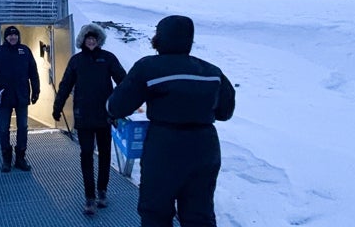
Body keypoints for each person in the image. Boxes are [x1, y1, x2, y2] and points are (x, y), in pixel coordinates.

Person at [107, 15, 236, 227]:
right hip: (205, 148)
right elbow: (225, 112)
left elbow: (117, 106)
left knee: (156, 213)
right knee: (200, 215)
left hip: (164, 148)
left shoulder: (148, 67)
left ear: (159, 38)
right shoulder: (212, 72)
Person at [53, 23, 127, 216]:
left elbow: (124, 82)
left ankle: (102, 191)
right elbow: (65, 85)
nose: (91, 40)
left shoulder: (108, 58)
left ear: (99, 40)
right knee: (86, 155)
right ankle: (89, 198)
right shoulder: (76, 61)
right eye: (88, 38)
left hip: (105, 116)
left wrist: (120, 106)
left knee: (104, 155)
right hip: (83, 116)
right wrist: (57, 107)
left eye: (94, 38)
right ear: (83, 40)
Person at [0, 25, 40, 173]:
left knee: (23, 127)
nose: (13, 37)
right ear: (5, 37)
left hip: (22, 96)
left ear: (18, 36)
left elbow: (33, 72)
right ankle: (6, 159)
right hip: (4, 97)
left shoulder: (25, 51)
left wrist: (36, 90)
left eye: (15, 35)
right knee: (3, 129)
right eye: (10, 35)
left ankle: (21, 158)